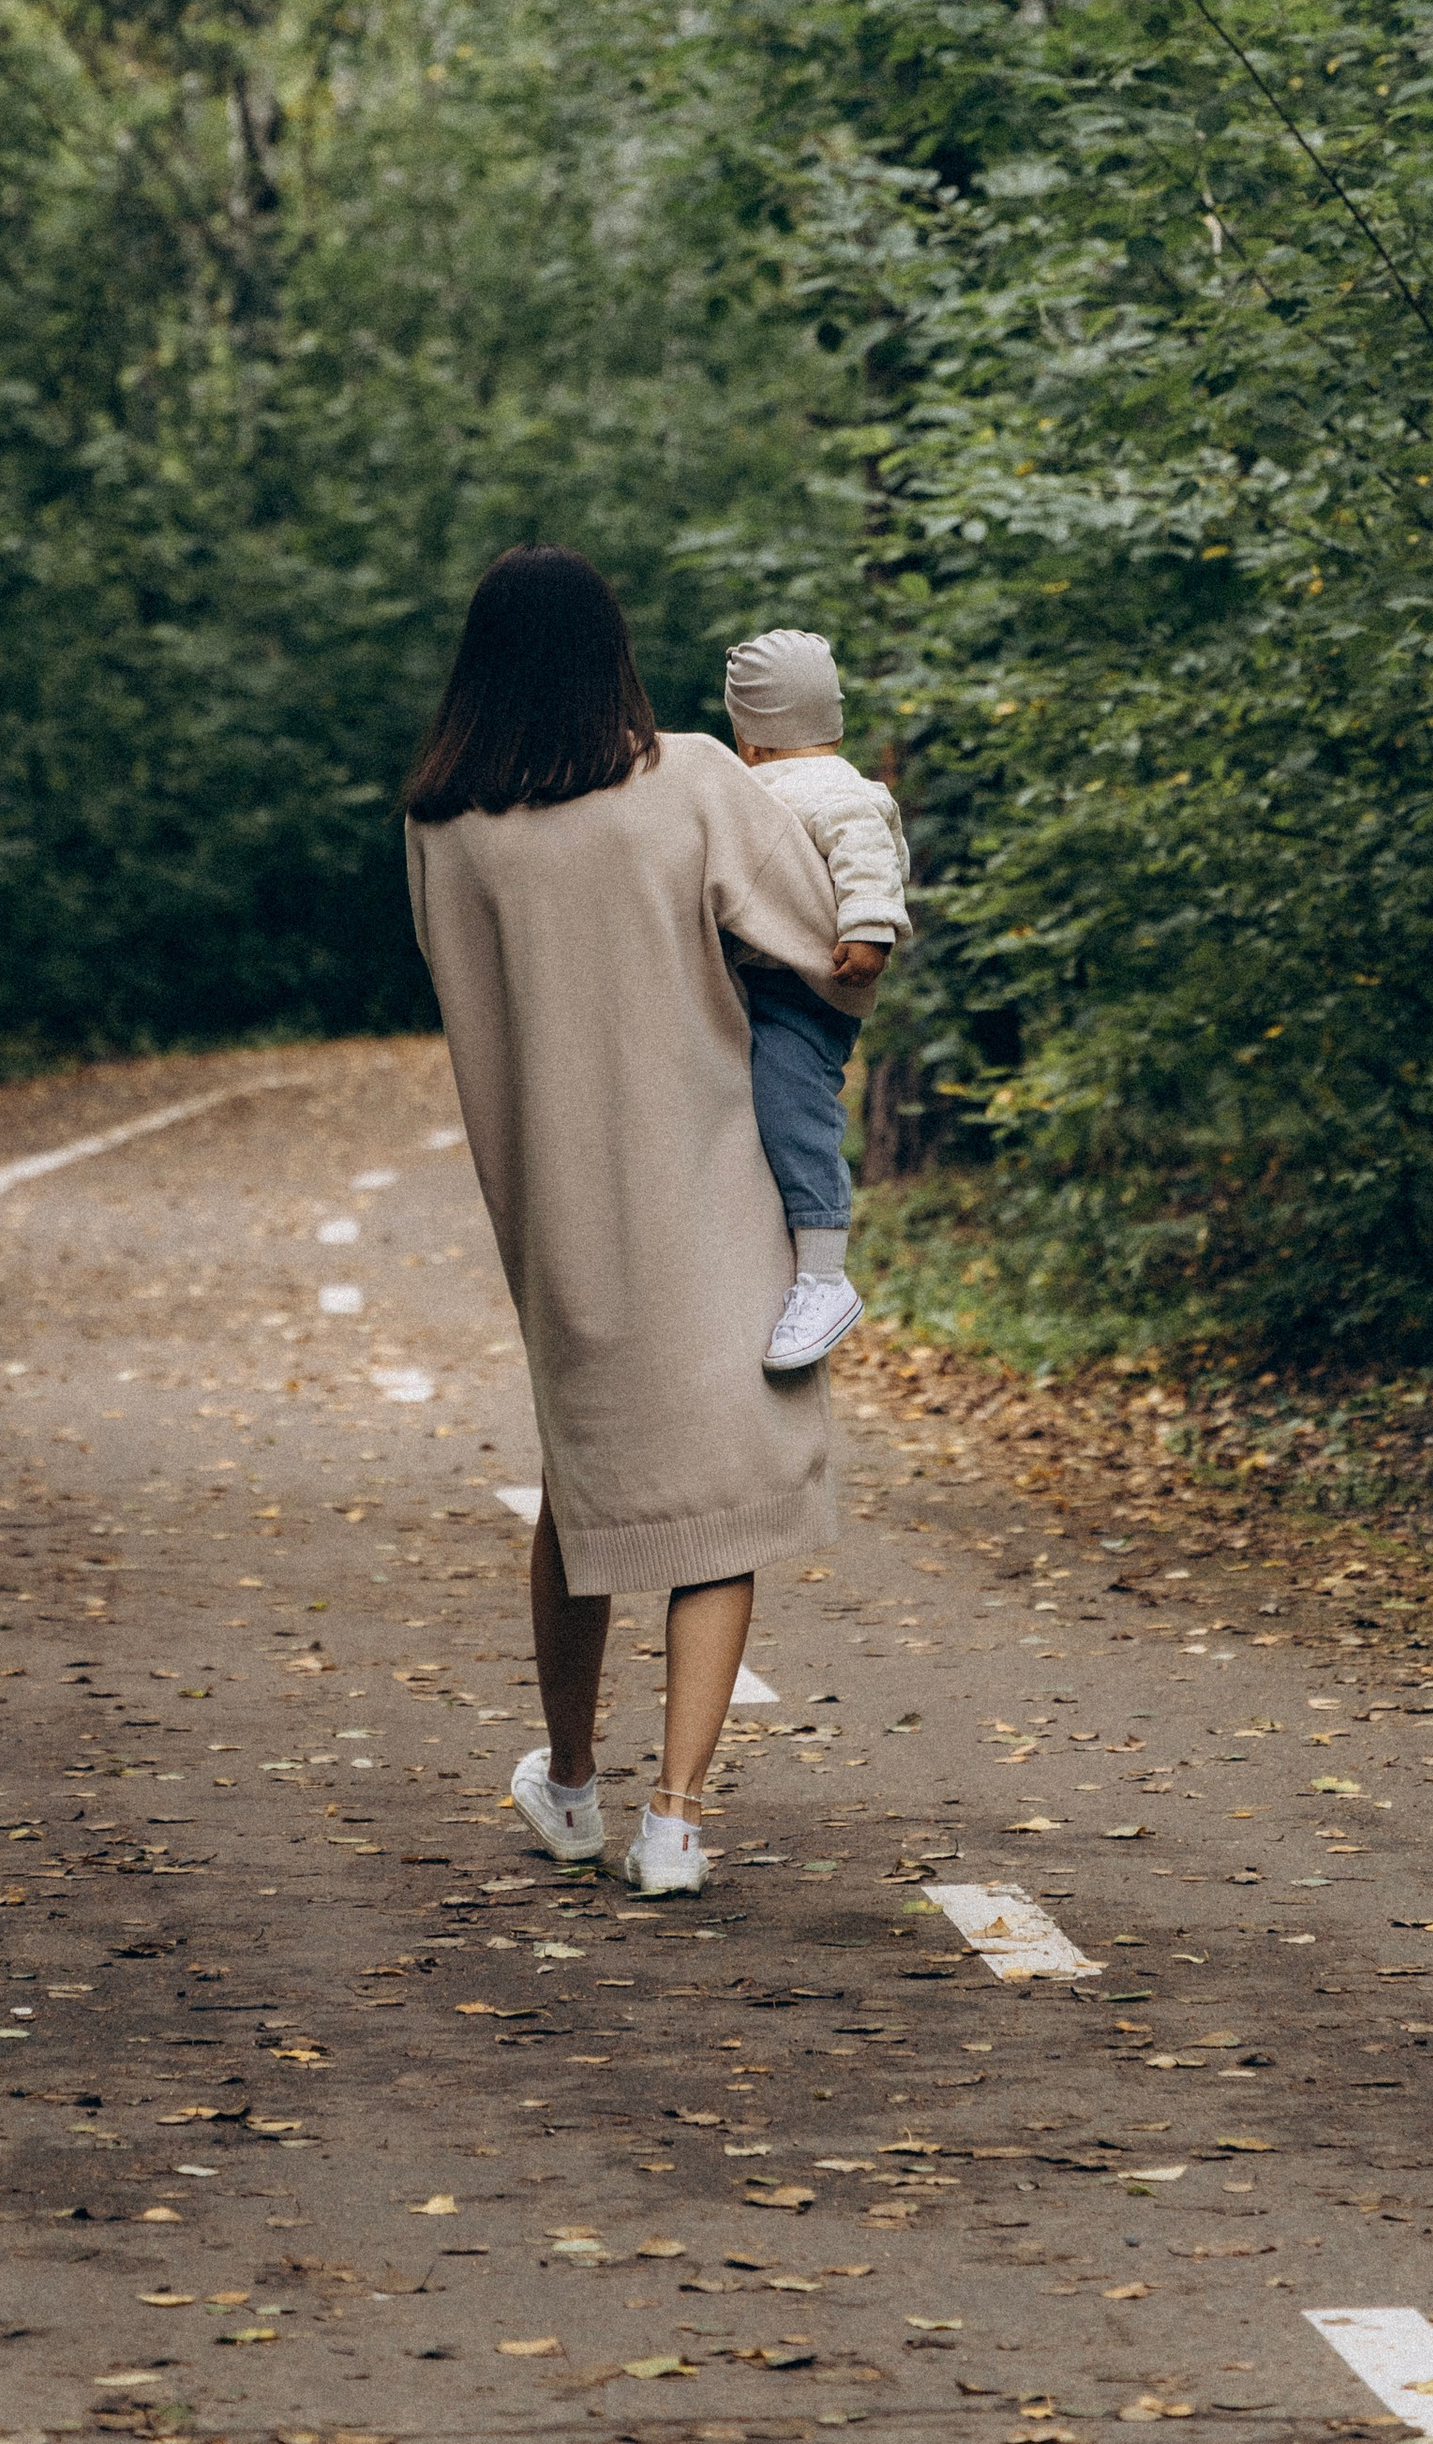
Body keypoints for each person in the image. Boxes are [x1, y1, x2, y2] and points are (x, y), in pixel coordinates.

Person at [403, 546, 856, 1899]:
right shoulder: (696, 778)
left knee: (590, 1482)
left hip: (556, 1206)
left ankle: (571, 1783)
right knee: (720, 1494)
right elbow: (824, 941)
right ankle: (676, 1818)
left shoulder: (442, 825)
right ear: (612, 653)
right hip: (714, 1184)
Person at [722, 627, 913, 1379]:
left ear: (750, 737)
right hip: (761, 982)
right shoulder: (765, 786)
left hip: (807, 989)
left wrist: (869, 930)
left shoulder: (832, 787)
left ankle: (824, 1277)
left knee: (793, 1106)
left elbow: (868, 857)